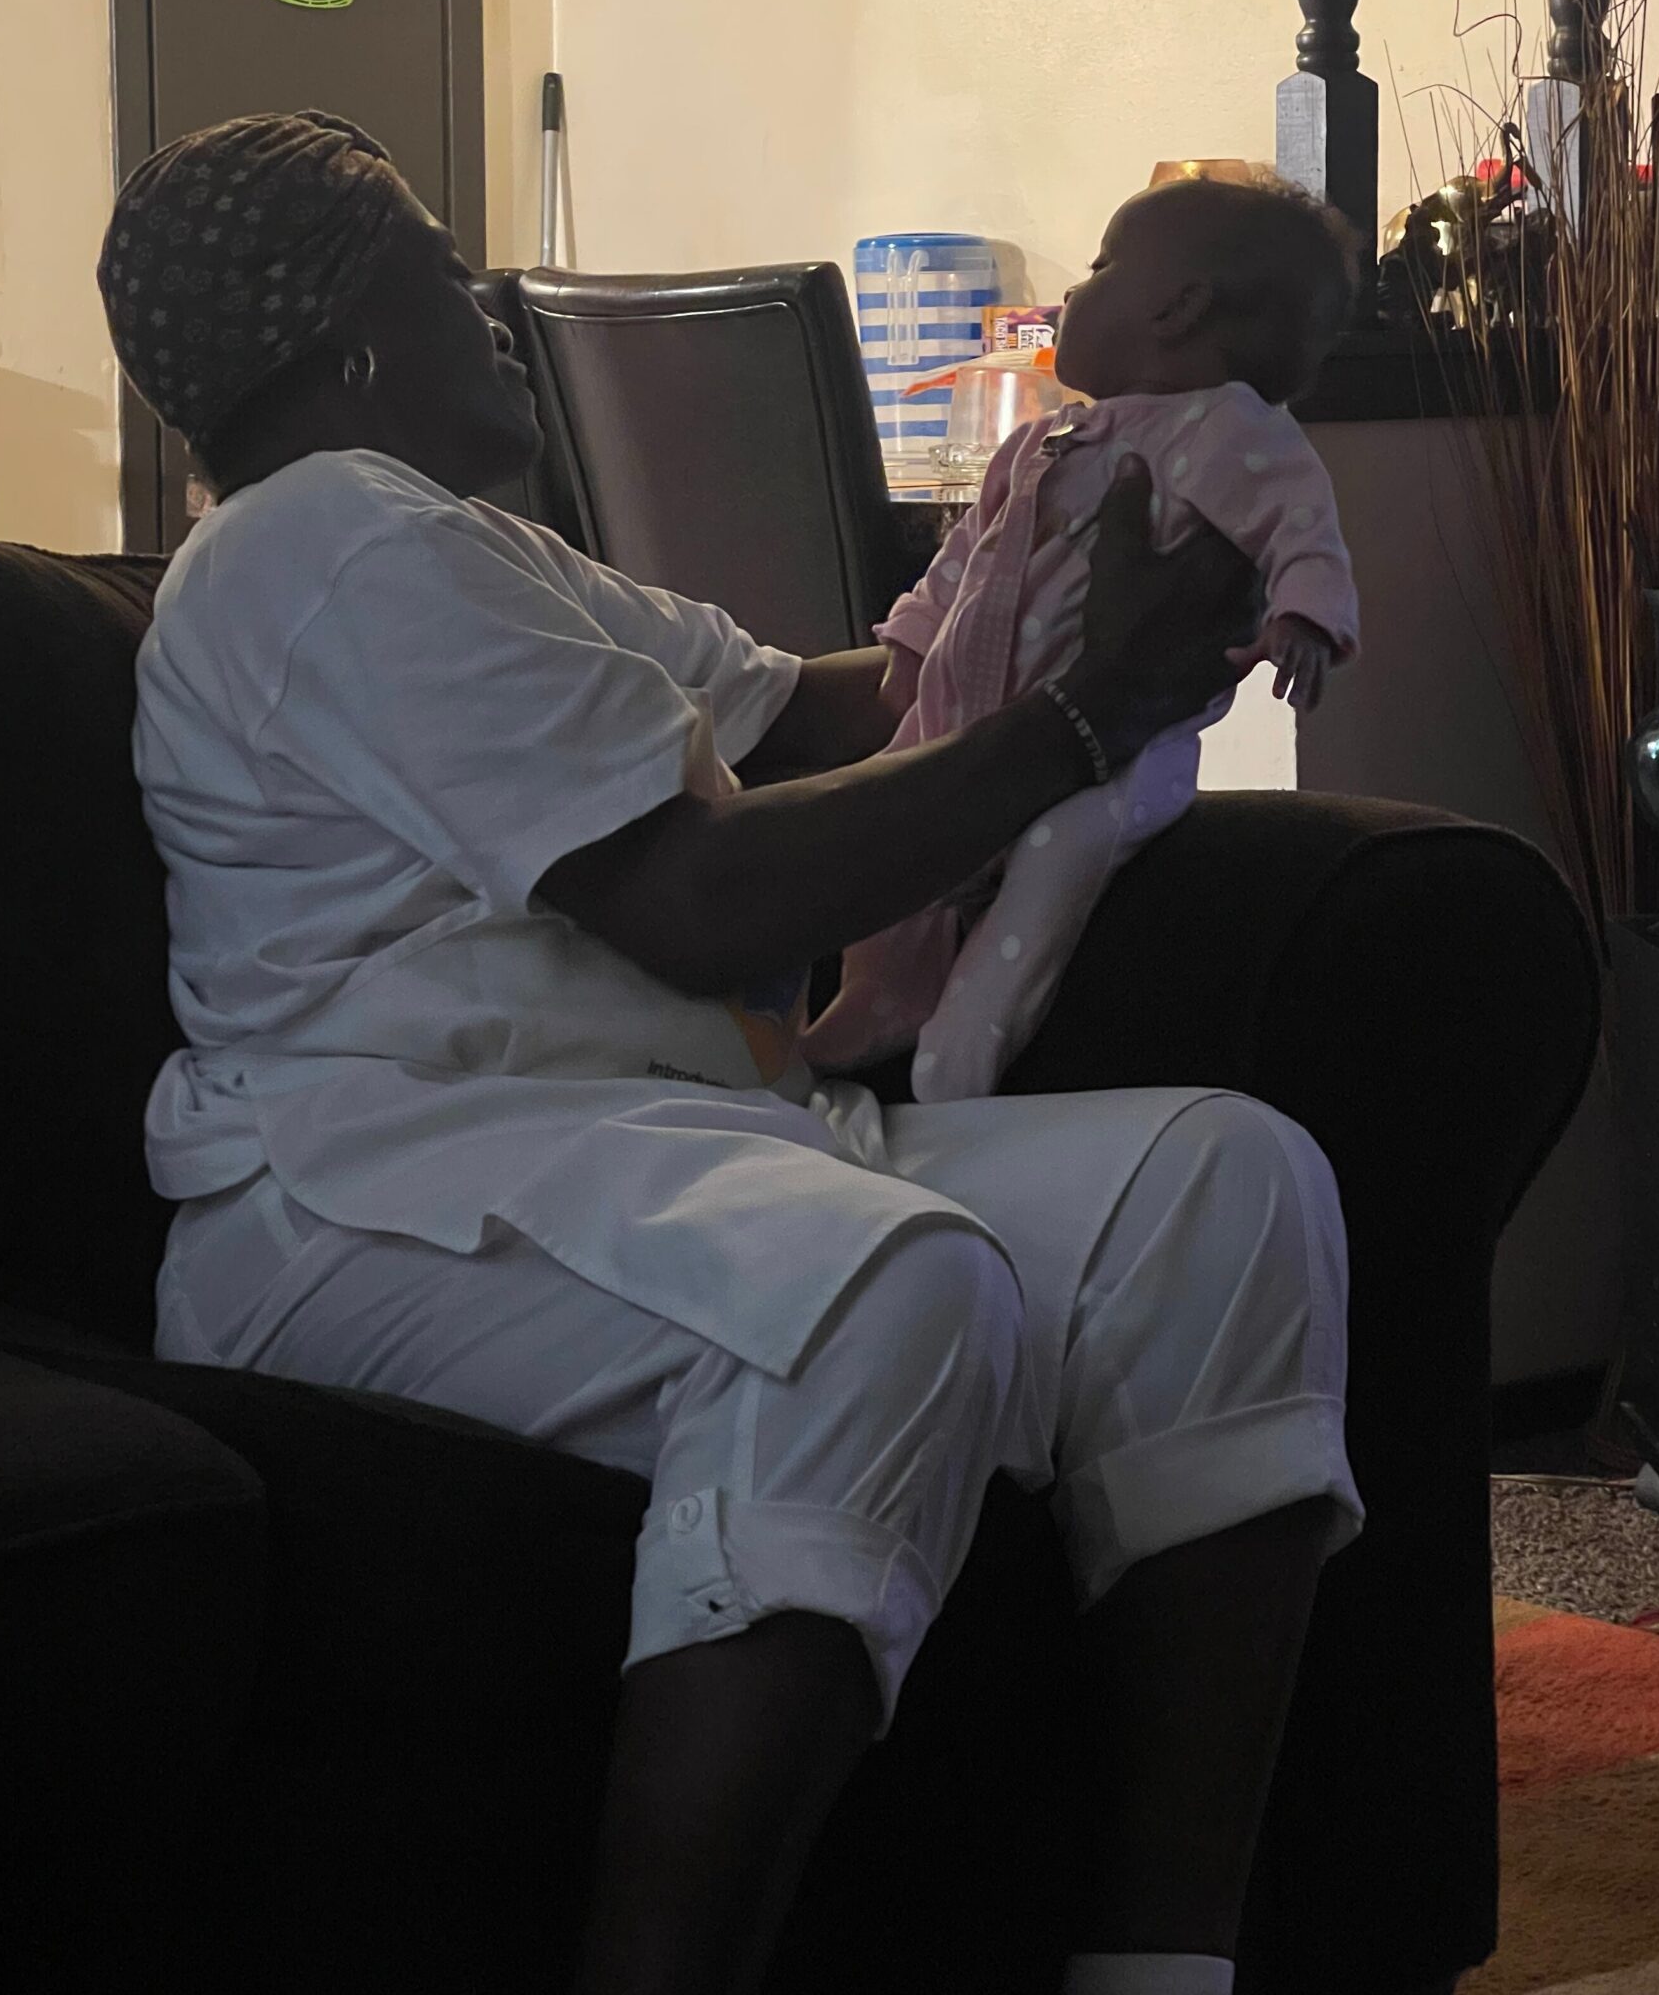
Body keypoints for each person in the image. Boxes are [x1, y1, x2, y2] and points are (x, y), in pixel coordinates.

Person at [99, 112, 1363, 1995]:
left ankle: (1162, 1973)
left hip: (687, 1150)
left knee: (1226, 1186)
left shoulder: (475, 553)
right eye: (442, 275)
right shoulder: (312, 545)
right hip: (381, 1194)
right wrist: (1086, 715)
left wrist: (1047, 578)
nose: (493, 309)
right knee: (886, 1288)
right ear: (351, 352)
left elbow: (828, 718)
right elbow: (691, 902)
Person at [806, 177, 1359, 1100]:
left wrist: (1305, 618)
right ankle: (880, 993)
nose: (1073, 290)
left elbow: (1302, 529)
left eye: (1101, 265)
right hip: (968, 716)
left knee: (1052, 870)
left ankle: (970, 1042)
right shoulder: (1045, 442)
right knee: (884, 834)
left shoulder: (1233, 431)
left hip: (1118, 761)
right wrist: (912, 643)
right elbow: (962, 560)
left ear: (1177, 309)